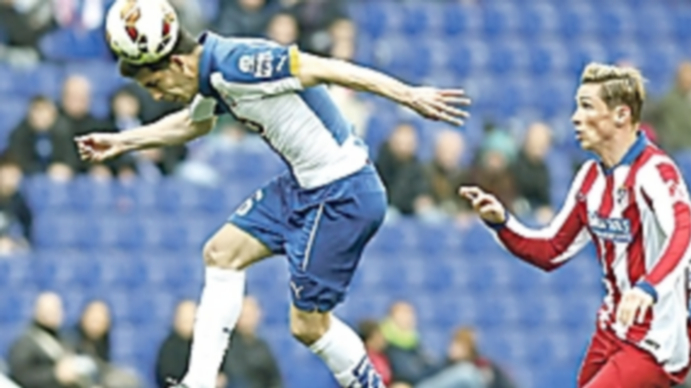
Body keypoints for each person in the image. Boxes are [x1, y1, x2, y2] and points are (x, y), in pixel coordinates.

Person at [78, 2, 469, 388]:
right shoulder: (211, 74)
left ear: (177, 64)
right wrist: (122, 141)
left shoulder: (239, 65)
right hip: (303, 184)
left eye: (155, 84)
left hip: (342, 192)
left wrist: (408, 95)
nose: (158, 95)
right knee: (221, 253)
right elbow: (193, 125)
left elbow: (325, 68)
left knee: (308, 327)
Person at [460, 63, 691, 388]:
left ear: (620, 115)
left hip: (654, 339)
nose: (575, 117)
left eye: (586, 106)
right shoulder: (589, 177)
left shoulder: (655, 171)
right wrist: (502, 223)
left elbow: (685, 235)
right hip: (612, 329)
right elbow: (550, 251)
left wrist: (648, 287)